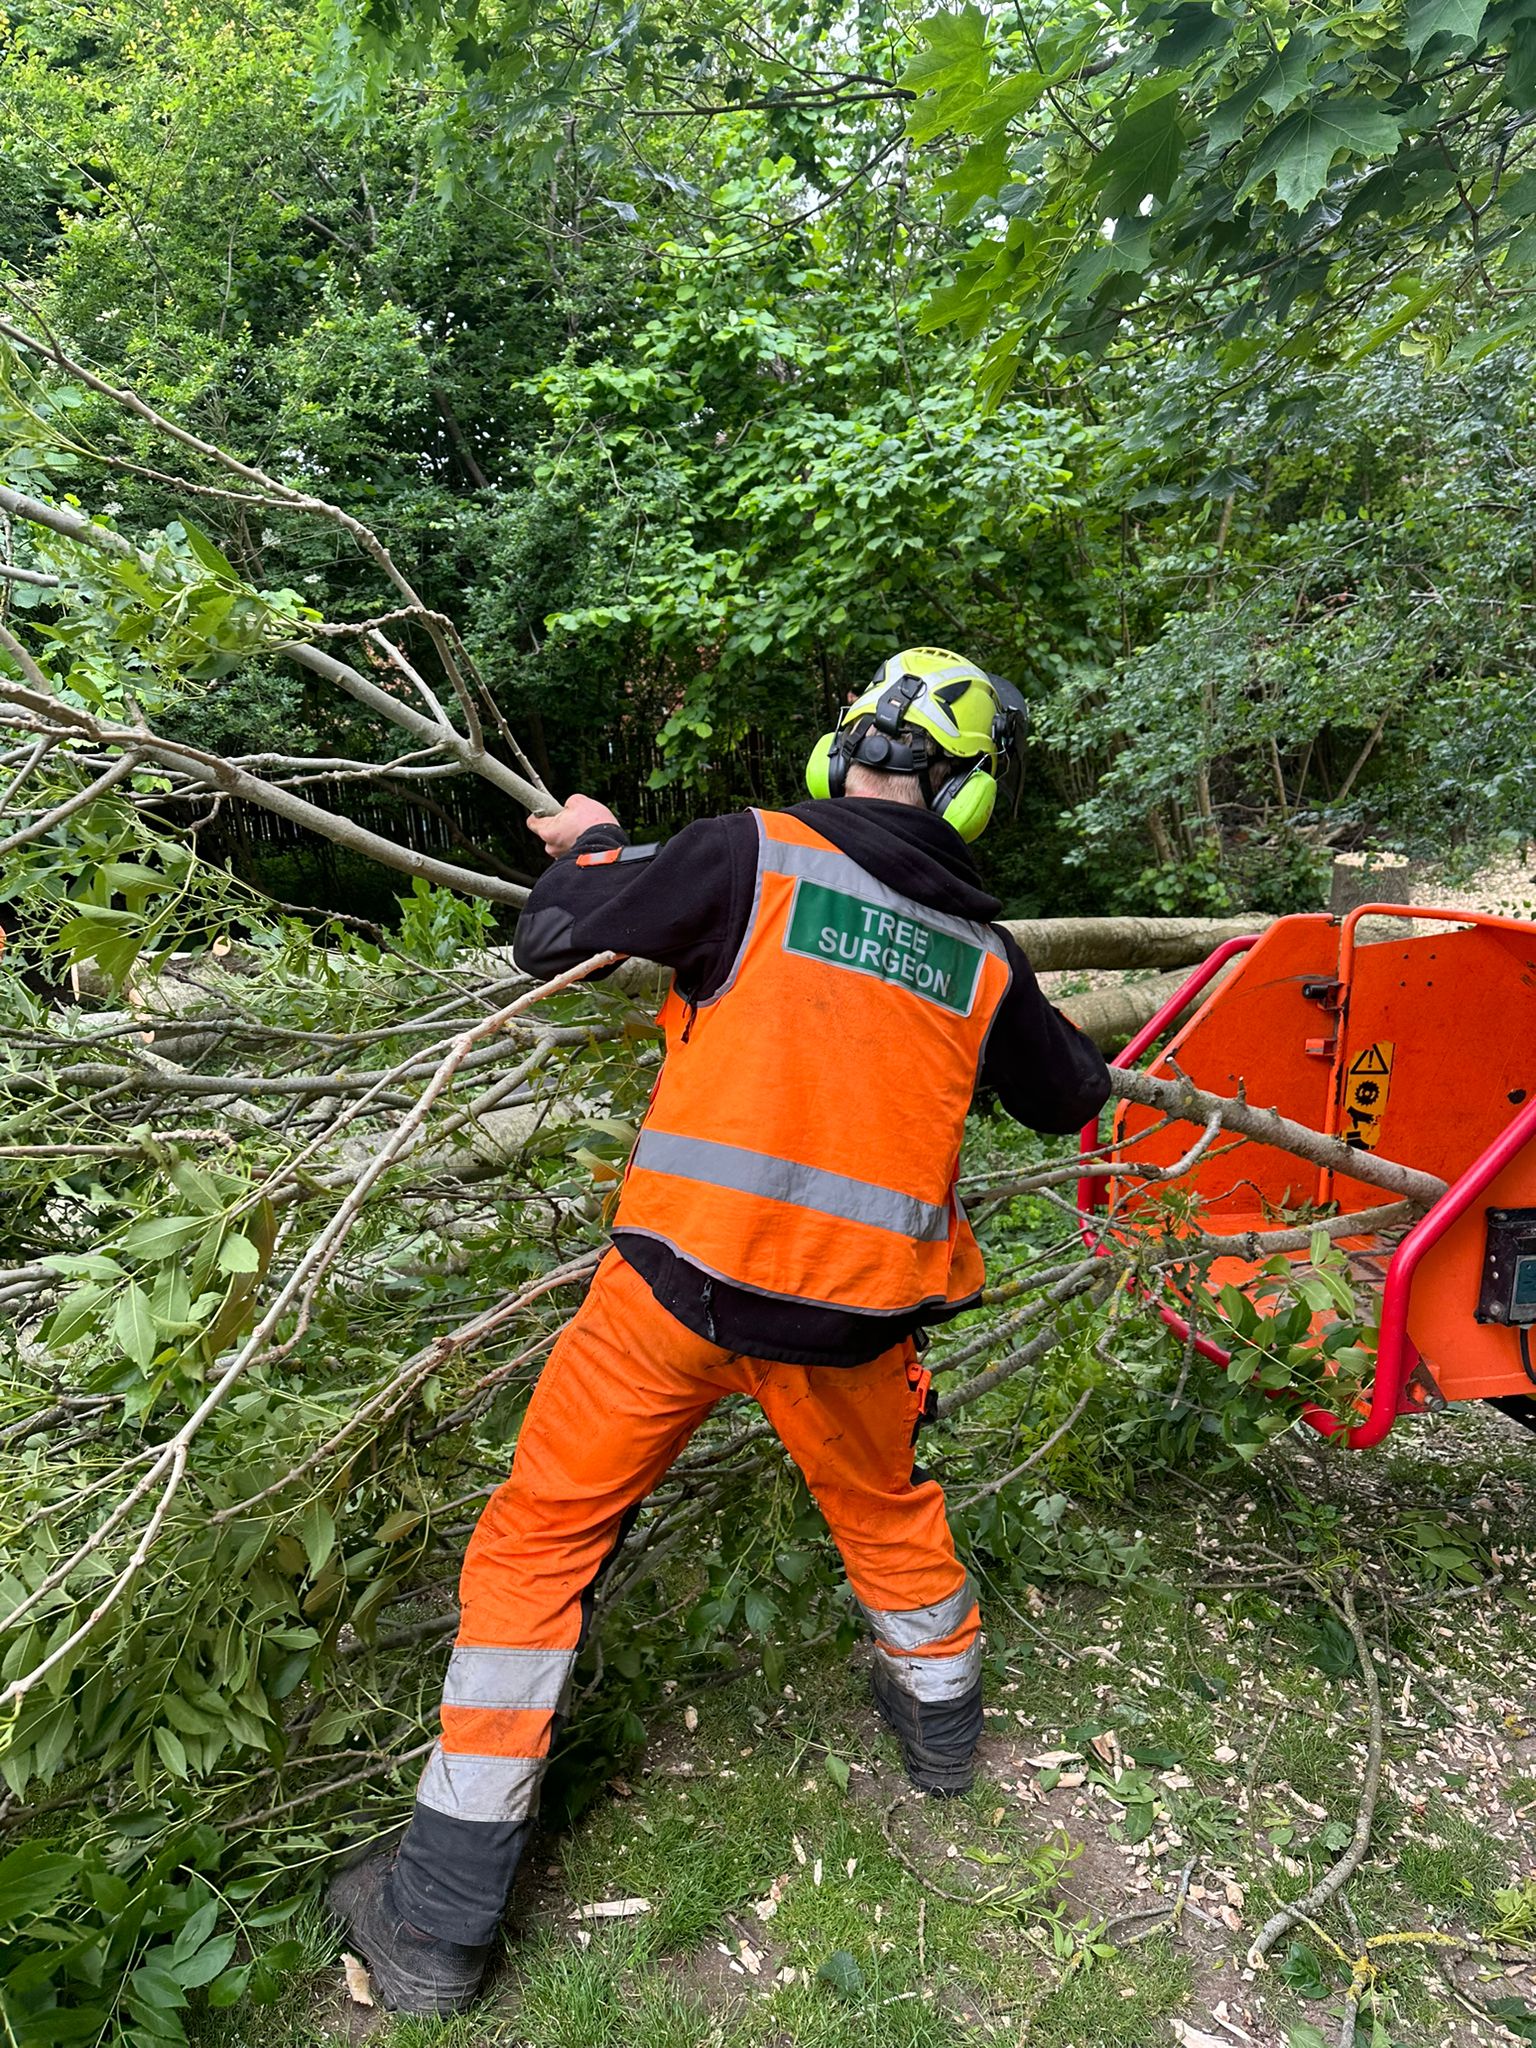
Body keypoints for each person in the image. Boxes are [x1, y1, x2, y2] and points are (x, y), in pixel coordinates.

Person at [329, 647, 1112, 2012]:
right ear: (972, 795)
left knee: (538, 1541)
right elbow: (1067, 1102)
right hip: (858, 1327)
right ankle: (938, 1741)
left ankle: (439, 1919)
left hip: (674, 1298)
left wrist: (590, 847)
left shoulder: (750, 853)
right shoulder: (984, 955)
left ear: (839, 751)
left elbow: (557, 933)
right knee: (887, 1514)